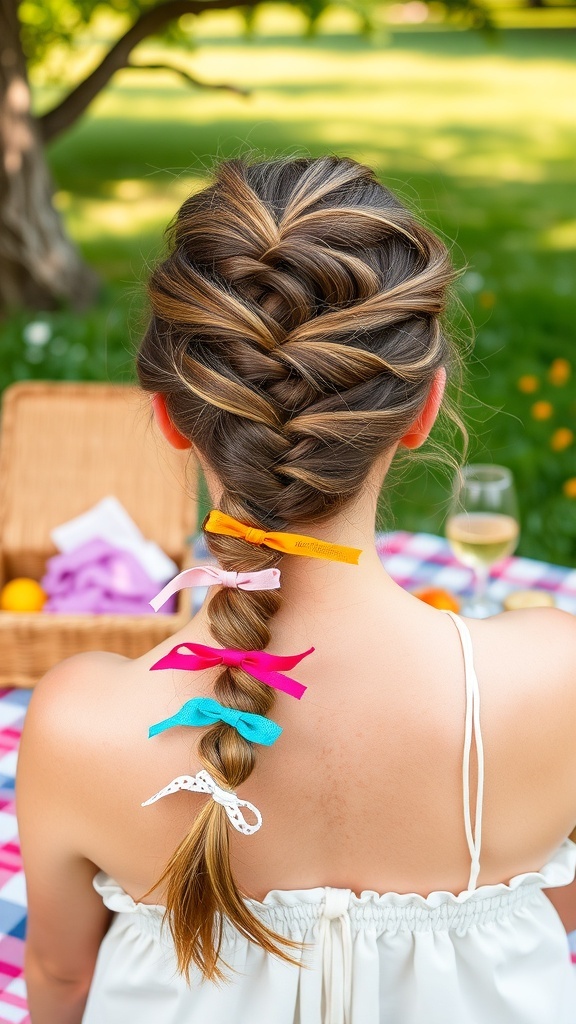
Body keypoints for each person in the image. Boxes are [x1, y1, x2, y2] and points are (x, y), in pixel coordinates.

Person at [16, 156, 576, 1024]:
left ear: (167, 414)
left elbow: (59, 980)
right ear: (424, 411)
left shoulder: (77, 726)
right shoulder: (554, 679)